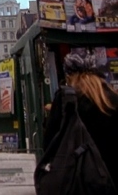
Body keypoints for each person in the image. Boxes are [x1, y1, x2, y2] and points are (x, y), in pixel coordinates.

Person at [44, 51, 118, 185]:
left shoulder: (65, 100)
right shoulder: (112, 98)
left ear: (68, 76)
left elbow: (49, 143)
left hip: (78, 180)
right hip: (111, 180)